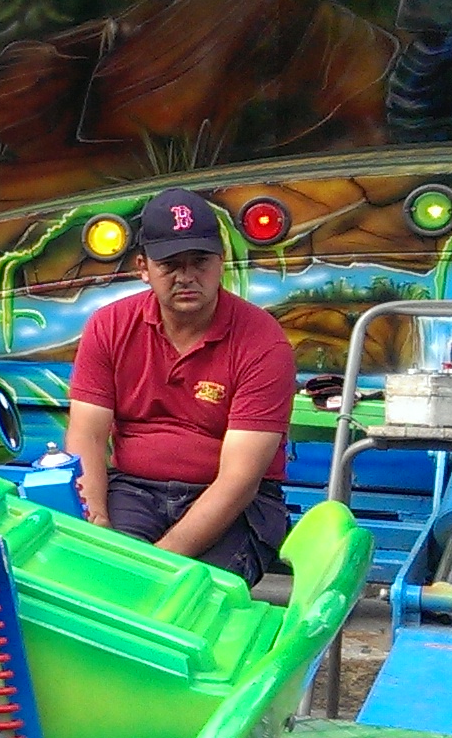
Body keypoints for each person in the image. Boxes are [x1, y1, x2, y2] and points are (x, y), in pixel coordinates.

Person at [64, 187, 296, 584]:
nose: (186, 277)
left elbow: (239, 481)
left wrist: (158, 564)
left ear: (221, 262)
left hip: (239, 505)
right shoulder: (108, 326)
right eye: (169, 265)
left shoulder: (264, 342)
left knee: (190, 593)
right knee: (98, 578)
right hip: (133, 491)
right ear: (143, 268)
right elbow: (86, 436)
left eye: (200, 262)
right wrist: (95, 522)